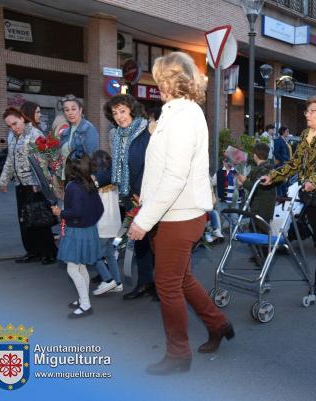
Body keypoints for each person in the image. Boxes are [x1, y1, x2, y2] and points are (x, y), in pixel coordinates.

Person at [127, 52, 232, 375]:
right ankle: (218, 323)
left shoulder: (185, 115)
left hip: (178, 214)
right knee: (181, 279)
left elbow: (175, 177)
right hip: (169, 212)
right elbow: (161, 171)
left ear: (169, 80)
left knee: (168, 285)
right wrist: (144, 202)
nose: (155, 83)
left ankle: (178, 354)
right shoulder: (175, 113)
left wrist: (143, 221)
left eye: (159, 77)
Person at [261, 95, 316, 296]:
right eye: (307, 110)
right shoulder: (305, 135)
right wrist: (273, 176)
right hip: (311, 194)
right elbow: (295, 163)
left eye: (312, 111)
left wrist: (313, 181)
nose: (307, 114)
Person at [104, 94, 155, 300]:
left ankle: (162, 286)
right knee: (139, 242)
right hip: (127, 194)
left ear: (132, 110)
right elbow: (116, 167)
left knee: (156, 243)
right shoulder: (116, 135)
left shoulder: (147, 132)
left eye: (122, 111)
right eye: (115, 113)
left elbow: (153, 165)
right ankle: (145, 283)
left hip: (147, 194)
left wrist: (142, 191)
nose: (119, 117)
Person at [0, 107, 58, 265]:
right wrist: (4, 180)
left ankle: (49, 253)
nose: (13, 128)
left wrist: (40, 184)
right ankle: (32, 252)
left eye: (15, 123)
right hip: (20, 185)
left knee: (39, 220)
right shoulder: (12, 136)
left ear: (22, 118)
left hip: (34, 185)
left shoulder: (35, 134)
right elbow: (10, 161)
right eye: (10, 125)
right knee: (25, 220)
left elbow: (43, 162)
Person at [51, 154, 104, 318]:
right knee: (81, 267)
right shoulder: (90, 183)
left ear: (70, 169)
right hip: (89, 230)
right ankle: (83, 298)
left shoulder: (73, 187)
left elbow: (76, 212)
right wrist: (90, 222)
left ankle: (86, 305)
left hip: (76, 232)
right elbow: (100, 209)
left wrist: (61, 212)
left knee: (73, 269)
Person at [90, 150, 123, 296]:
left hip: (102, 225)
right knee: (110, 254)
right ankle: (118, 282)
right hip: (115, 225)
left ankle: (108, 280)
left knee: (93, 255)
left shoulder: (95, 181)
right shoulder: (114, 180)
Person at [236, 143, 276, 232]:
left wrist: (244, 181)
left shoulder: (264, 169)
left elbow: (257, 187)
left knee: (259, 236)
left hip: (261, 208)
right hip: (262, 207)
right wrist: (243, 182)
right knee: (257, 233)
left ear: (255, 155)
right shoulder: (267, 167)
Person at [60, 94, 99, 160]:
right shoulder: (64, 132)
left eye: (73, 109)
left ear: (80, 110)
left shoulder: (89, 129)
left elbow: (91, 157)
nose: (70, 113)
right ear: (64, 113)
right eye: (67, 110)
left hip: (80, 169)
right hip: (65, 169)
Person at [273, 126, 292, 197]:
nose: (288, 133)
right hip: (280, 164)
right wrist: (283, 160)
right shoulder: (278, 141)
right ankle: (280, 198)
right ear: (283, 132)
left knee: (285, 182)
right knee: (280, 182)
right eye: (287, 131)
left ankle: (284, 197)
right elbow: (276, 152)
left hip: (286, 164)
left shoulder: (285, 141)